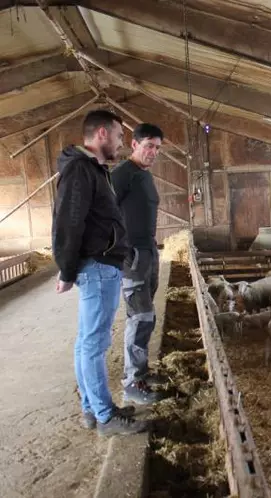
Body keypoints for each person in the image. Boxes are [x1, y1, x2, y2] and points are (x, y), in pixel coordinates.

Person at [52, 109, 147, 436]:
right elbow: (68, 220)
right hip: (97, 265)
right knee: (94, 344)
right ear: (102, 134)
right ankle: (106, 417)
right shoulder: (81, 170)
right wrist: (65, 268)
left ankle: (92, 409)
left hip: (100, 263)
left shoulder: (92, 169)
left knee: (86, 342)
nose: (122, 143)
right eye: (120, 136)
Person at [111, 123, 164, 405]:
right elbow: (103, 212)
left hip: (148, 251)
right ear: (134, 145)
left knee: (148, 315)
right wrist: (119, 249)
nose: (153, 152)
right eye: (148, 146)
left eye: (157, 148)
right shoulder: (121, 175)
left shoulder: (144, 176)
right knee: (139, 315)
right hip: (132, 255)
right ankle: (132, 381)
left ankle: (141, 372)